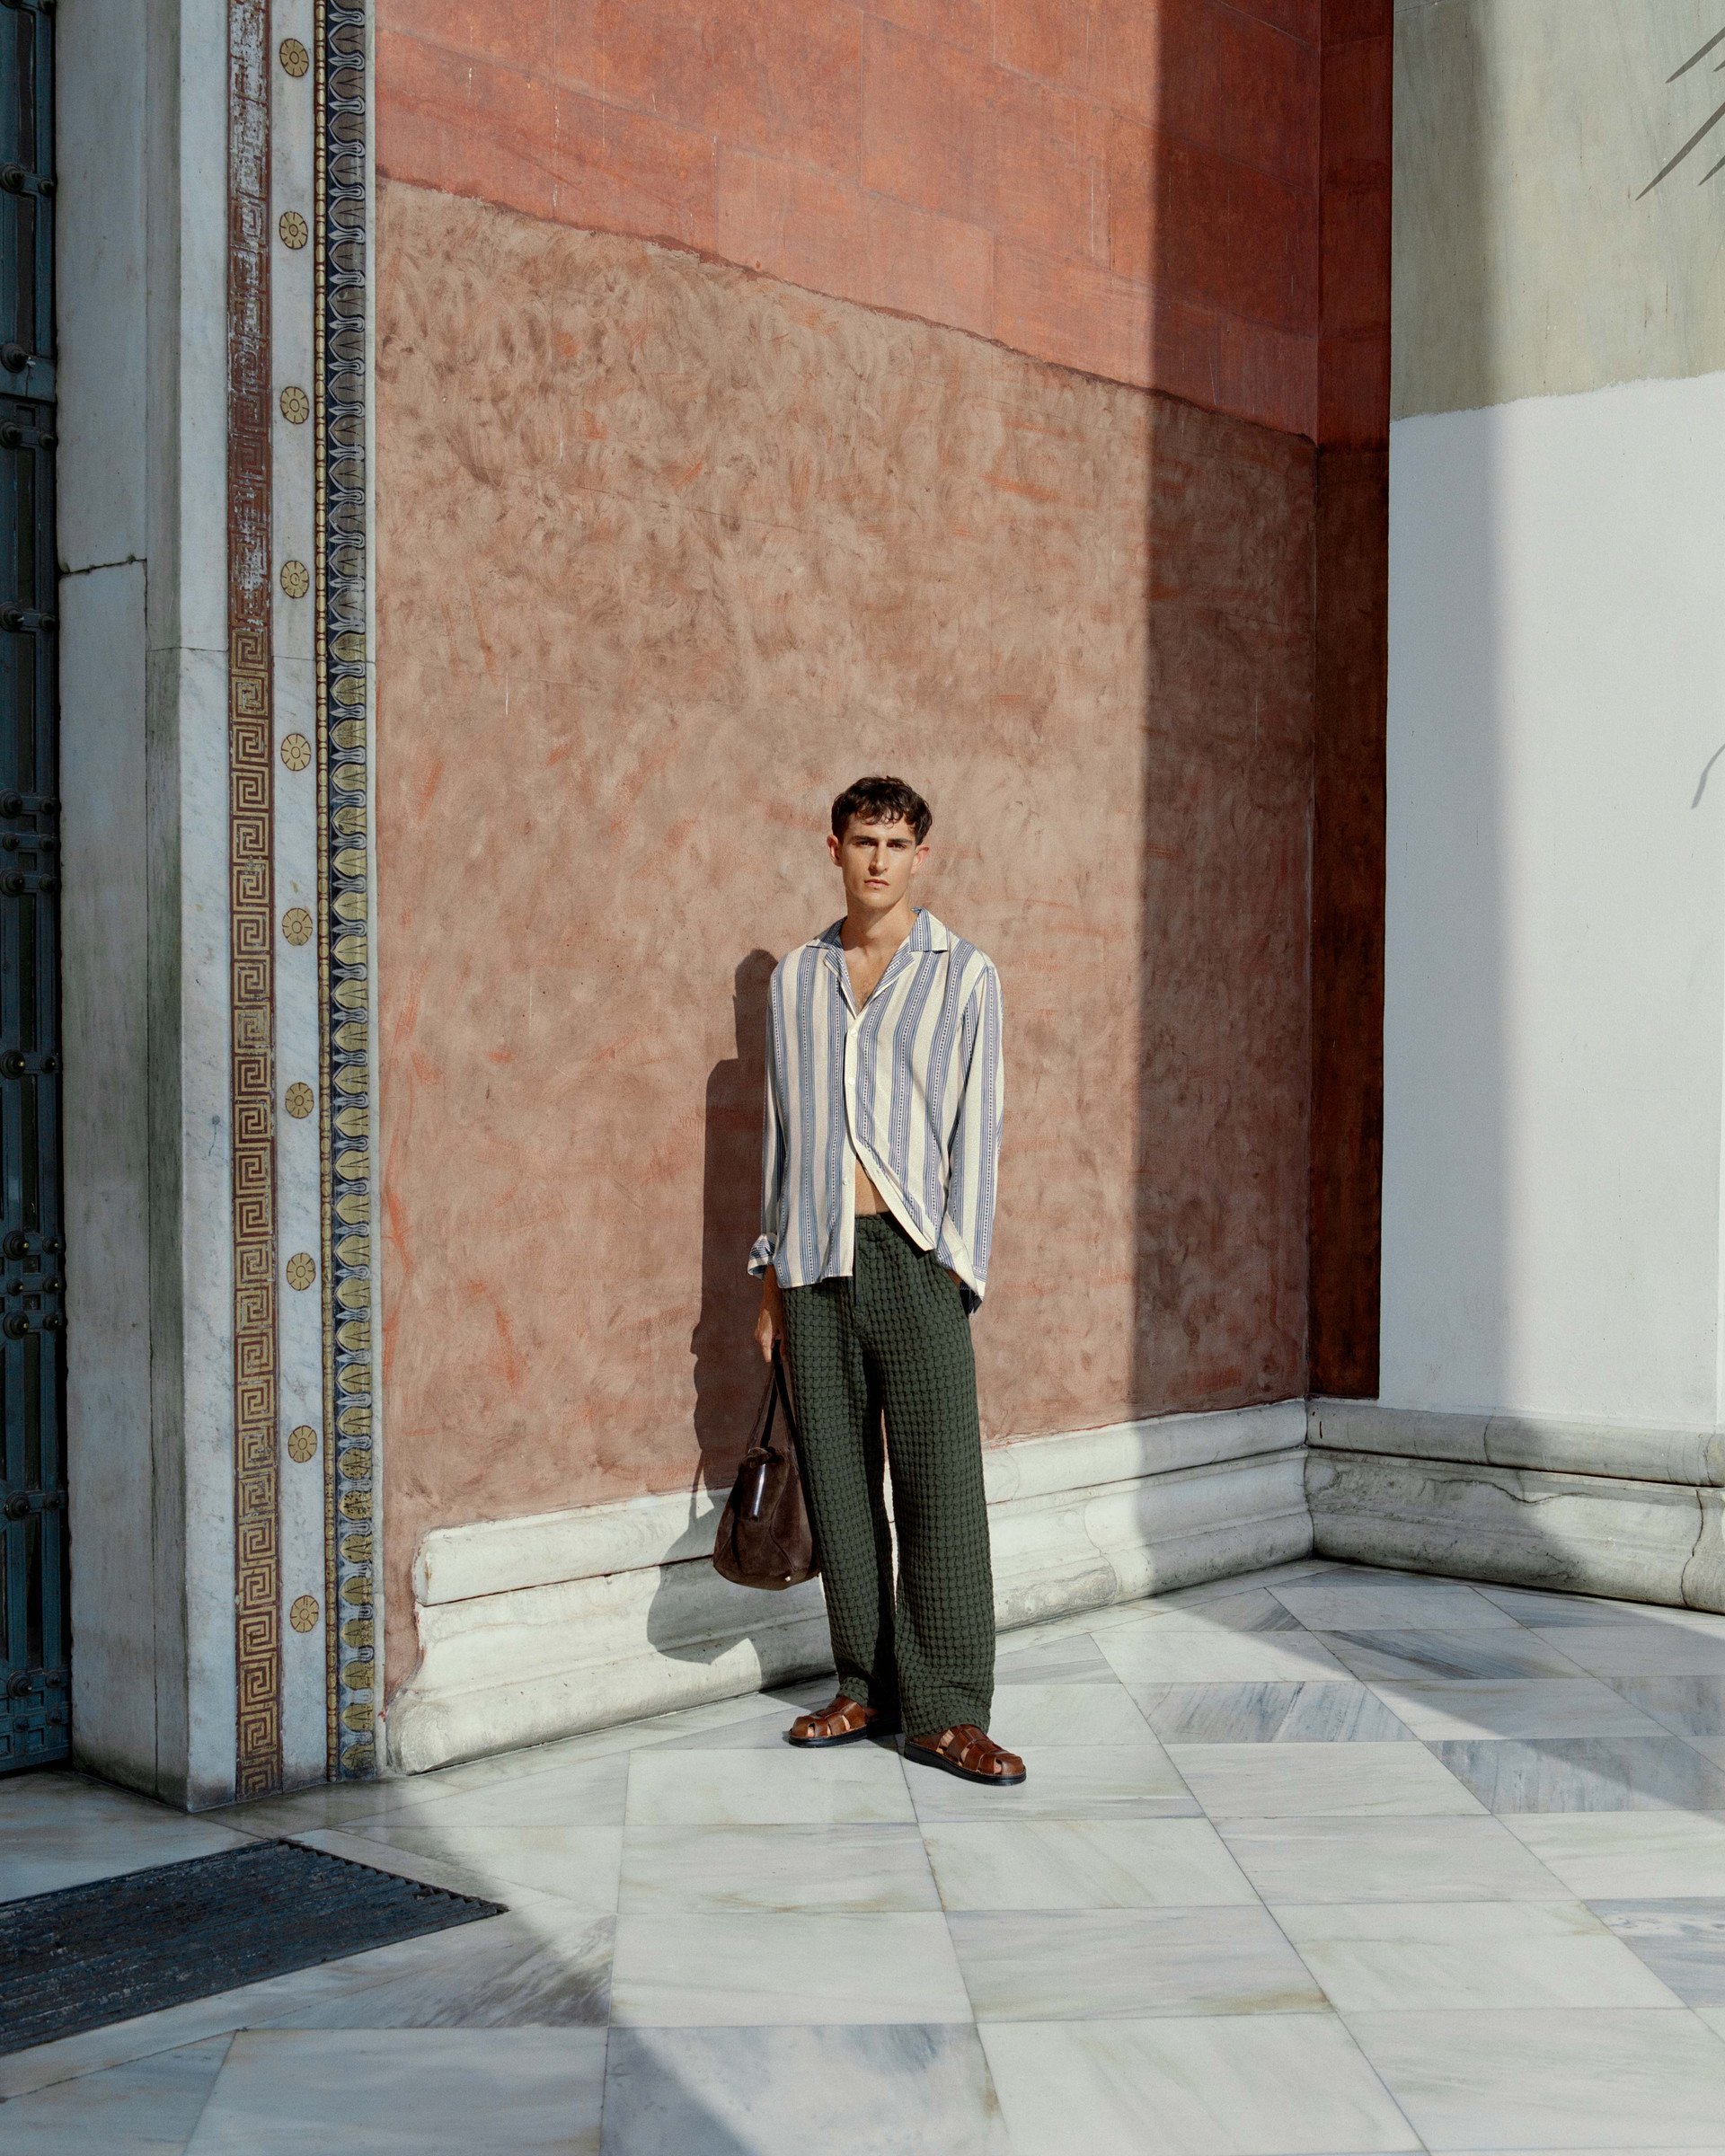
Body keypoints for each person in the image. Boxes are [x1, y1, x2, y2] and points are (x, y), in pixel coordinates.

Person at [749, 775, 1024, 1787]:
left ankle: (948, 1712)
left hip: (913, 1260)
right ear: (832, 846)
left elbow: (978, 1131)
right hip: (814, 1260)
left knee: (942, 1491)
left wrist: (957, 1264)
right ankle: (864, 1685)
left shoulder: (965, 976)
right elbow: (778, 1138)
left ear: (921, 856)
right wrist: (769, 1277)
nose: (878, 859)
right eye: (862, 840)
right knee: (840, 1488)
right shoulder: (795, 980)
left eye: (896, 843)